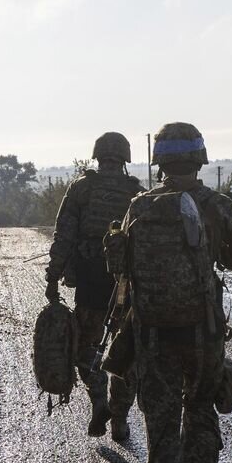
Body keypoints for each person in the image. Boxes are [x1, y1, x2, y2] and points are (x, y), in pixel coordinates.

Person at [119, 122, 232, 463]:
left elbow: (121, 269)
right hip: (204, 334)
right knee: (199, 411)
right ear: (199, 158)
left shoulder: (139, 206)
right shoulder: (214, 204)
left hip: (154, 335)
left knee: (160, 430)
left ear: (159, 160)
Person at [45, 132, 143, 441]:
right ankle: (120, 420)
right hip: (126, 282)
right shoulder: (136, 194)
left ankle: (99, 398)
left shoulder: (81, 189)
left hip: (90, 278)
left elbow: (64, 237)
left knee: (86, 346)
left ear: (97, 156)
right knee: (125, 351)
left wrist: (52, 276)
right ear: (125, 158)